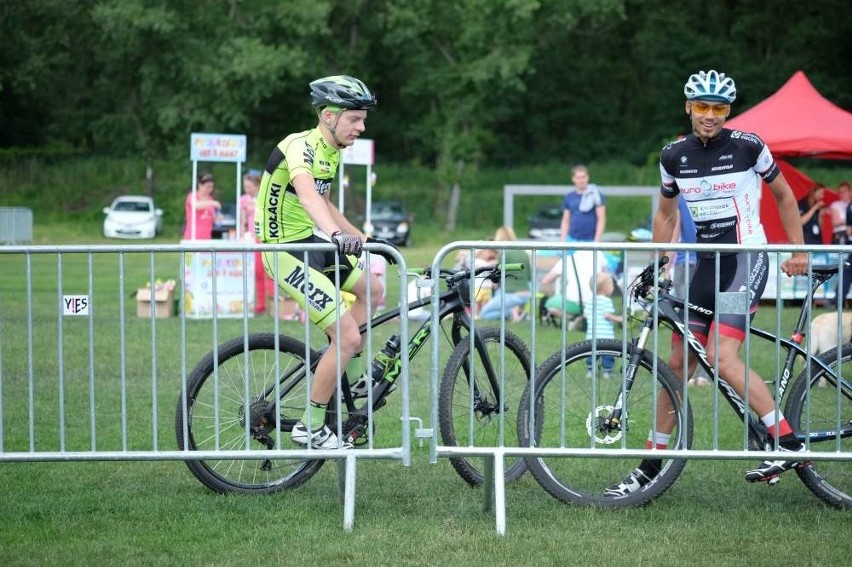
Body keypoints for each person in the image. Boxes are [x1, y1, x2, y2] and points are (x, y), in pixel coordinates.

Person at [605, 70, 810, 497]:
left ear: (727, 111)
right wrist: (659, 260)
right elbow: (665, 214)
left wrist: (799, 250)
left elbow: (786, 197)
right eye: (703, 107)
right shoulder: (673, 155)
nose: (710, 116)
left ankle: (788, 442)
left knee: (720, 354)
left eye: (718, 108)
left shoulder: (748, 146)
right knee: (676, 365)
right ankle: (650, 467)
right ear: (688, 108)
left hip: (745, 260)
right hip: (705, 267)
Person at [253, 75, 398, 449]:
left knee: (373, 290)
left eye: (364, 119)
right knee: (349, 335)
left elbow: (326, 202)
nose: (362, 127)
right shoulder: (299, 146)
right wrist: (335, 235)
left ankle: (346, 377)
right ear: (330, 115)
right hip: (283, 251)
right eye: (356, 119)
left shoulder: (331, 151)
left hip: (311, 241)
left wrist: (362, 238)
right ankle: (311, 425)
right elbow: (307, 196)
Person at [540, 249, 609, 329]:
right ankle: (587, 316)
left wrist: (552, 295)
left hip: (573, 301)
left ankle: (573, 317)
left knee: (549, 305)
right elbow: (606, 277)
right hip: (596, 302)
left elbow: (545, 281)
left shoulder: (568, 258)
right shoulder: (598, 254)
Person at [476, 226, 532, 322]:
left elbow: (497, 275)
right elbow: (529, 276)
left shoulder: (505, 252)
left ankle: (510, 314)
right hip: (526, 293)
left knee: (484, 314)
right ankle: (515, 314)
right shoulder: (524, 252)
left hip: (510, 294)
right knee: (499, 303)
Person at [240, 169, 272, 315]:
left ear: (257, 185)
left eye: (249, 187)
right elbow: (242, 221)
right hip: (252, 238)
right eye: (245, 187)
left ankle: (273, 300)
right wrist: (242, 234)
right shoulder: (244, 200)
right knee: (258, 272)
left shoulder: (266, 196)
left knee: (270, 270)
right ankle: (260, 303)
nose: (247, 190)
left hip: (266, 237)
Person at [584, 271, 623, 379]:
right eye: (611, 284)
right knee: (607, 355)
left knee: (591, 355)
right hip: (605, 335)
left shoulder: (589, 301)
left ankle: (590, 371)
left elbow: (586, 315)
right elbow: (607, 315)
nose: (613, 287)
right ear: (603, 288)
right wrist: (618, 319)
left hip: (591, 334)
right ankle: (607, 372)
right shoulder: (606, 301)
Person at [559, 165, 606, 242]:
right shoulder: (569, 197)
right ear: (573, 179)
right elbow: (565, 220)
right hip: (572, 239)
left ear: (588, 177)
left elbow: (601, 219)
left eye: (583, 177)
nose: (581, 180)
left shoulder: (596, 195)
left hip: (590, 240)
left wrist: (597, 241)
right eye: (578, 178)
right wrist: (563, 241)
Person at [183, 172, 221, 240]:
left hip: (206, 238)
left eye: (211, 187)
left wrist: (218, 217)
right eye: (208, 187)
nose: (210, 189)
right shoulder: (192, 196)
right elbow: (196, 205)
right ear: (200, 185)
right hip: (192, 237)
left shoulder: (210, 198)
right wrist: (212, 203)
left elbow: (212, 217)